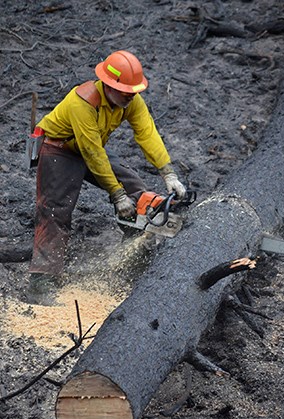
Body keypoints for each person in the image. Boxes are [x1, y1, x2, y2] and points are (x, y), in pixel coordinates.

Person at [27, 49, 186, 301]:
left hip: (91, 147)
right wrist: (116, 195)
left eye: (133, 92)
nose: (129, 97)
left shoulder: (130, 100)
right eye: (125, 92)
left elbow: (146, 132)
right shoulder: (84, 102)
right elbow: (91, 152)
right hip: (60, 148)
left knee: (134, 185)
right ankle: (41, 282)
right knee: (56, 211)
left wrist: (168, 173)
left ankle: (134, 250)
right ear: (108, 84)